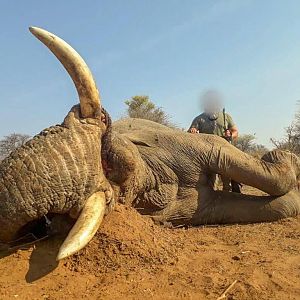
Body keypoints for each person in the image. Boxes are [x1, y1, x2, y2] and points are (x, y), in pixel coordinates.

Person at [188, 90, 240, 192]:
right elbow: (189, 133)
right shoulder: (199, 119)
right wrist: (192, 131)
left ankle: (229, 202)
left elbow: (235, 131)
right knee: (211, 185)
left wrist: (230, 136)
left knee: (228, 183)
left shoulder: (226, 117)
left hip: (225, 153)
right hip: (208, 156)